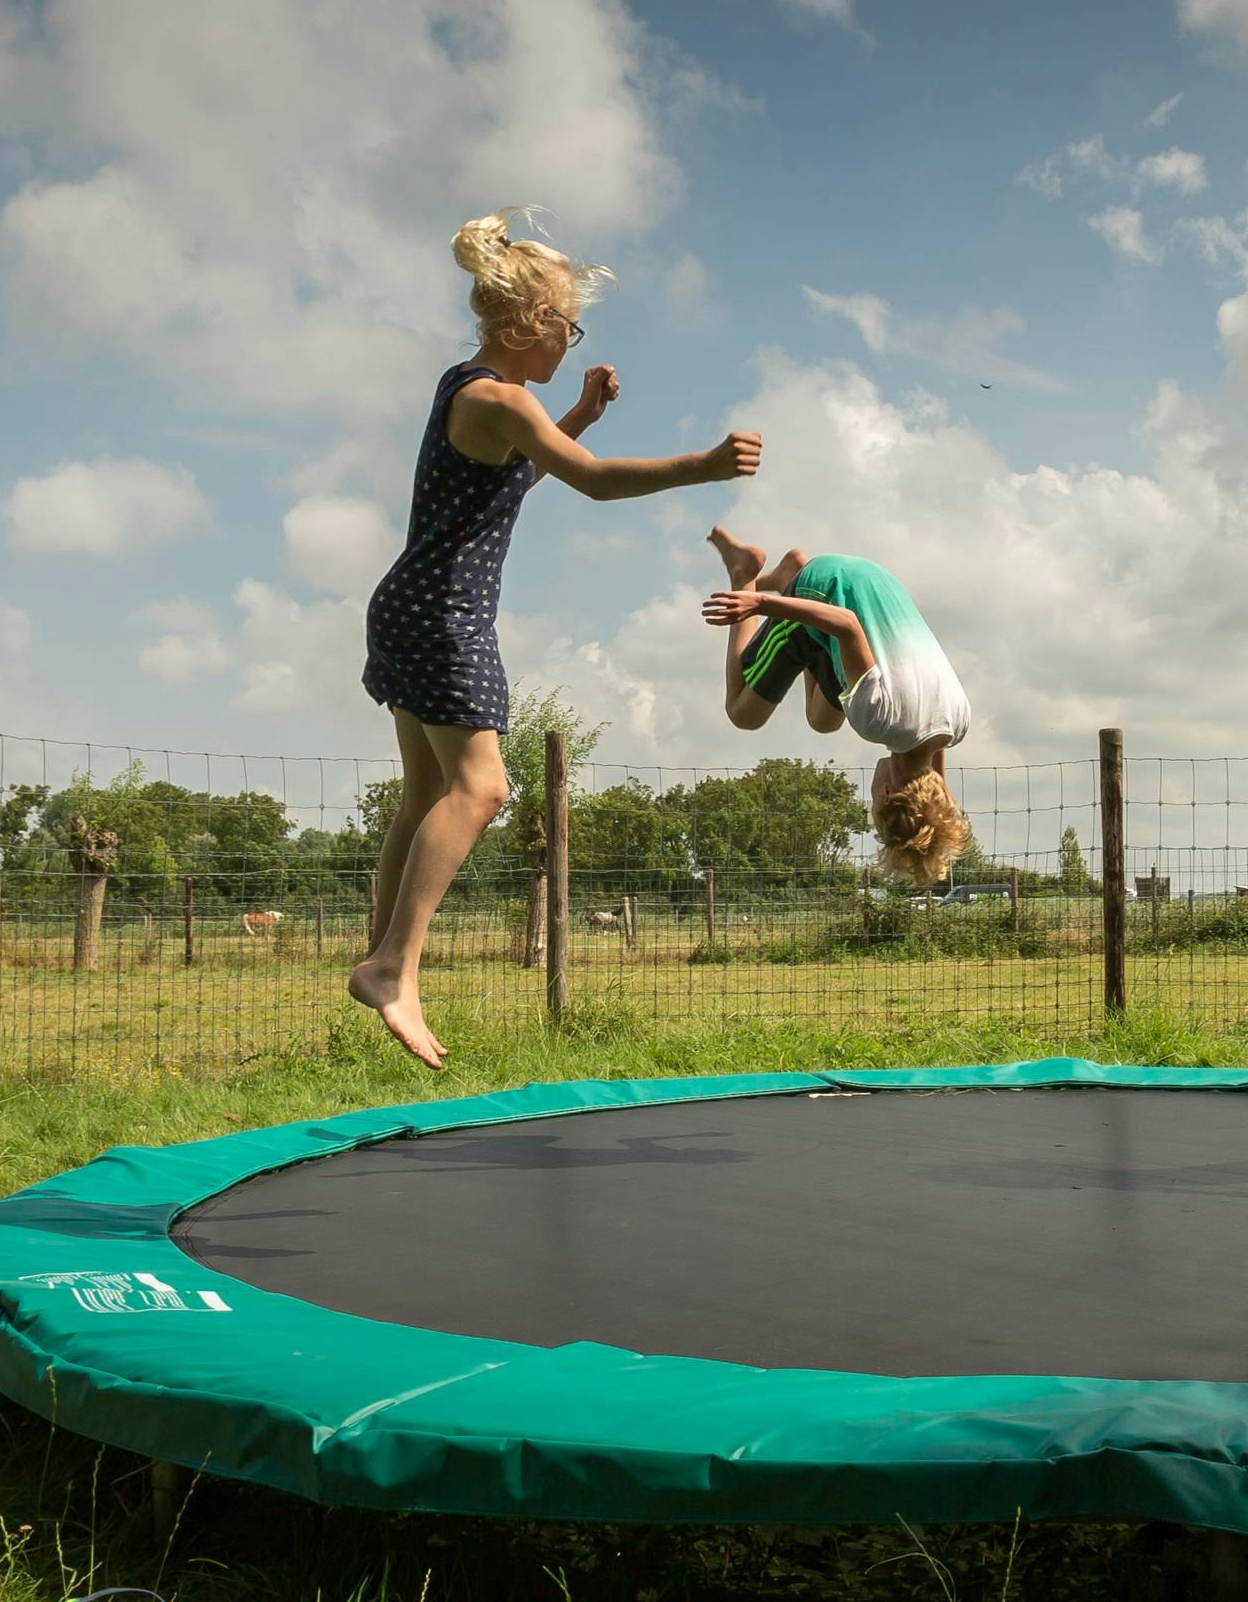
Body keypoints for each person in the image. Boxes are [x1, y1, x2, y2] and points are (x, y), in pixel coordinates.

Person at [349, 213, 761, 1068]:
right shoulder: (501, 399)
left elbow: (519, 470)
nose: (570, 343)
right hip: (446, 615)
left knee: (425, 794)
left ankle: (384, 958)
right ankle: (393, 966)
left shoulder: (467, 388)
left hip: (408, 607)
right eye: (569, 329)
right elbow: (593, 484)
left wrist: (579, 413)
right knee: (482, 788)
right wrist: (705, 465)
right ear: (534, 321)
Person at [699, 532, 974, 886]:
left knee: (823, 720)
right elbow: (846, 625)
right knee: (743, 713)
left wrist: (937, 818)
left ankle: (788, 574)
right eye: (873, 805)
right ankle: (745, 573)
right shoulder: (877, 721)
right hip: (825, 590)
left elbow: (936, 777)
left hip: (879, 583)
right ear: (887, 794)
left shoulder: (956, 723)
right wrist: (759, 604)